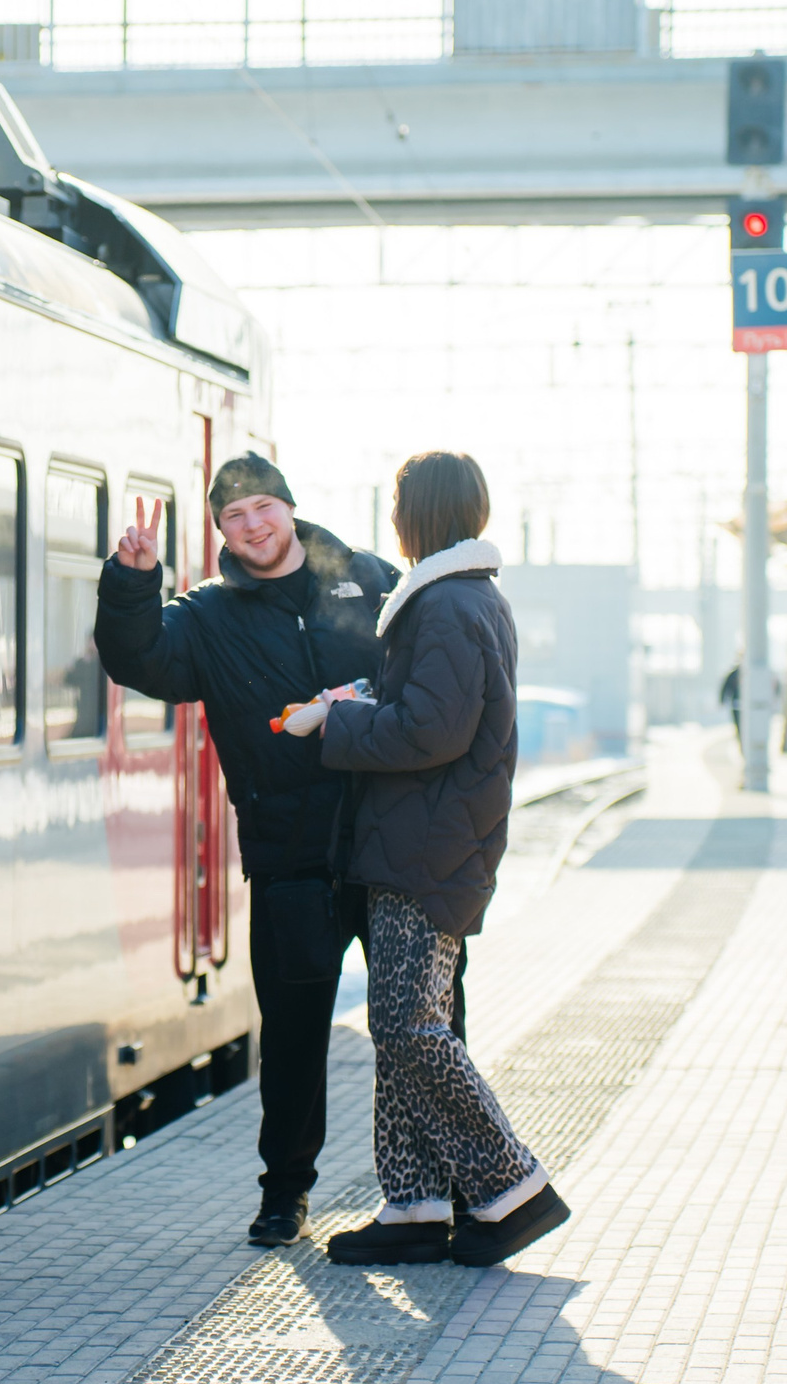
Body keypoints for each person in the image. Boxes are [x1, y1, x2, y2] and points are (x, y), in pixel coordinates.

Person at [96, 452, 399, 1248]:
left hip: (388, 845)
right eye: (234, 516)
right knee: (294, 1034)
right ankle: (285, 1193)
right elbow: (138, 659)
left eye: (264, 507)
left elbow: (424, 684)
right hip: (288, 852)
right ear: (221, 530)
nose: (254, 525)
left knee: (423, 1024)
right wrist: (134, 582)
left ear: (290, 509)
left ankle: (439, 1187)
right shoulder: (205, 616)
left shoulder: (370, 582)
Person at [313, 450, 569, 1270]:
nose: (390, 517)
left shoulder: (450, 605)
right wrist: (361, 703)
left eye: (397, 502)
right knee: (399, 1025)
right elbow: (431, 710)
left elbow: (433, 731)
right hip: (423, 838)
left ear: (416, 512)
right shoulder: (459, 598)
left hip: (431, 844)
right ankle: (415, 1205)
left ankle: (511, 1185)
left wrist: (336, 727)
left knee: (408, 1023)